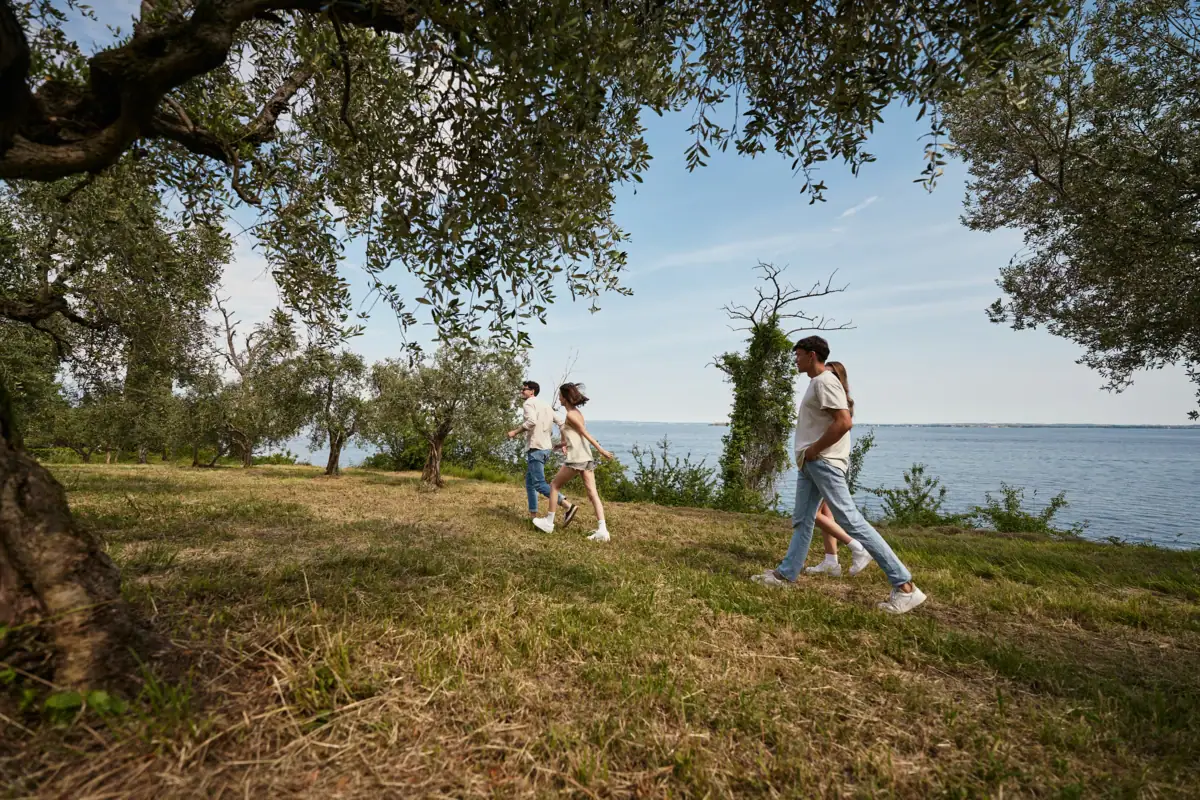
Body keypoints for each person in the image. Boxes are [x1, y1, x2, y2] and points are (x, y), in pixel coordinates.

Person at [752, 336, 927, 614]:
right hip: (811, 463)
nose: (795, 359)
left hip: (822, 462)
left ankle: (905, 587)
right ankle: (786, 575)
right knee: (802, 518)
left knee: (851, 521)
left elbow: (844, 422)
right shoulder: (817, 382)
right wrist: (807, 455)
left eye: (797, 355)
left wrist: (814, 451)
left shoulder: (825, 381)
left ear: (812, 355)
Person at [804, 362, 873, 578]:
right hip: (829, 461)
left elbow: (841, 428)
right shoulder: (829, 400)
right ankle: (831, 560)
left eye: (830, 373)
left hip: (827, 462)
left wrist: (813, 450)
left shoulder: (836, 403)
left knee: (811, 513)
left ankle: (857, 547)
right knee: (826, 512)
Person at [531, 383, 615, 542]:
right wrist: (562, 445)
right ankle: (602, 531)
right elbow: (576, 437)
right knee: (593, 494)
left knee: (554, 485)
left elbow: (585, 434)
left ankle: (549, 523)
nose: (559, 399)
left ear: (565, 397)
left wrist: (601, 450)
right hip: (586, 457)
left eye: (560, 396)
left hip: (577, 459)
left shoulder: (570, 415)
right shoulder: (577, 413)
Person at [508, 381, 580, 526]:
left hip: (536, 448)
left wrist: (515, 432)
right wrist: (563, 442)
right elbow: (561, 423)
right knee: (530, 482)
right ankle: (533, 515)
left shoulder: (528, 404)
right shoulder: (545, 405)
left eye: (524, 389)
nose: (522, 391)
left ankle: (567, 505)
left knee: (539, 484)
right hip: (546, 449)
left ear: (532, 391)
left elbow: (531, 422)